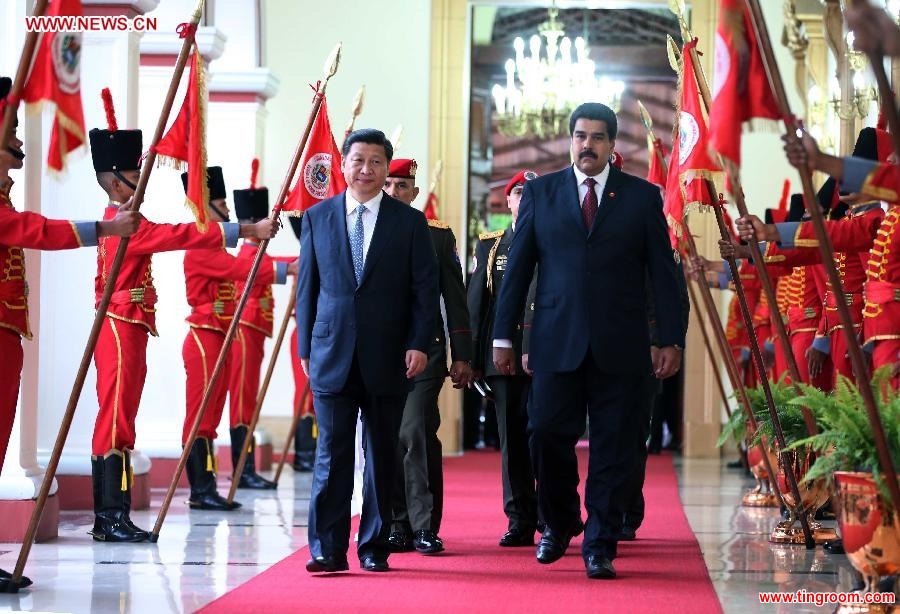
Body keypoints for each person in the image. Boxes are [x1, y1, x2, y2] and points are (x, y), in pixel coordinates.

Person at [492, 103, 684, 580]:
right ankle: (558, 523)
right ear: (569, 139)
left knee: (614, 447)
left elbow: (664, 275)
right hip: (556, 341)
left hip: (623, 346)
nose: (588, 145)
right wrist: (503, 335)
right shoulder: (542, 194)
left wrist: (670, 339)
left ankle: (600, 542)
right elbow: (518, 271)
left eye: (598, 137)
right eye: (580, 136)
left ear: (613, 145)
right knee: (545, 435)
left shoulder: (641, 198)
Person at [88, 101, 278, 543]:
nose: (142, 181)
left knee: (126, 418)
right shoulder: (122, 223)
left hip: (132, 325)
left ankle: (121, 512)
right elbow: (183, 234)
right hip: (119, 324)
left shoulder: (128, 222)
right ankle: (109, 516)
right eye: (135, 174)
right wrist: (246, 233)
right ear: (116, 180)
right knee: (115, 418)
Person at [0, 76, 141, 592]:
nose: (19, 141)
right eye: (11, 130)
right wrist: (103, 230)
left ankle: (115, 511)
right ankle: (111, 514)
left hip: (9, 332)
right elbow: (32, 231)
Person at [296, 129, 438, 573]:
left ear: (385, 168)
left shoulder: (409, 222)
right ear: (343, 164)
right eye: (358, 160)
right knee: (331, 456)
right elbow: (307, 290)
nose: (366, 170)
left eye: (376, 162)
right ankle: (327, 548)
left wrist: (419, 344)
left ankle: (375, 546)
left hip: (390, 355)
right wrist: (305, 348)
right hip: (331, 353)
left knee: (381, 456)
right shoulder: (317, 217)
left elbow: (423, 291)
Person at [180, 167, 288, 510]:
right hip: (205, 336)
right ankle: (200, 488)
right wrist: (294, 268)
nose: (228, 212)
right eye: (221, 205)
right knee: (201, 415)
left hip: (221, 335)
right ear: (205, 208)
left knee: (211, 415)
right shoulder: (201, 249)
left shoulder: (216, 250)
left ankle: (207, 487)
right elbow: (242, 270)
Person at [383, 158, 473, 555]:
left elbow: (455, 299)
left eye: (402, 186)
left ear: (415, 192)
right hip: (380, 354)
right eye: (387, 184)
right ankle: (400, 522)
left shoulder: (436, 235)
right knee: (397, 438)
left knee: (412, 431)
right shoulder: (365, 228)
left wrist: (463, 355)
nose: (393, 192)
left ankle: (419, 527)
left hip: (427, 352)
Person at [468, 169, 539, 547]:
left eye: (532, 193)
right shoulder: (492, 245)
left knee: (545, 434)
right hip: (502, 354)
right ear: (507, 201)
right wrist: (472, 355)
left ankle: (550, 510)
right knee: (511, 438)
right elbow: (477, 302)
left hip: (546, 352)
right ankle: (520, 518)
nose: (524, 199)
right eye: (518, 194)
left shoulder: (555, 240)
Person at [227, 172, 295, 490]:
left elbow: (288, 261)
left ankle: (247, 467)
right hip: (244, 333)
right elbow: (284, 266)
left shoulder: (258, 255)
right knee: (242, 403)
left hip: (254, 334)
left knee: (249, 401)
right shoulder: (247, 257)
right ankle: (243, 469)